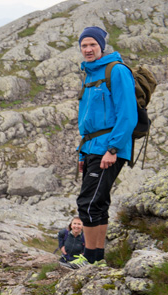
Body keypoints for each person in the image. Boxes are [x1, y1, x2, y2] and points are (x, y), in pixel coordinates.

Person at [69, 26, 137, 269]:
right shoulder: (90, 74)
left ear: (101, 46)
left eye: (92, 45)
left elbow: (128, 114)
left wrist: (113, 149)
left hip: (108, 148)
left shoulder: (116, 71)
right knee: (98, 203)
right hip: (92, 148)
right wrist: (82, 153)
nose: (88, 49)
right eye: (84, 45)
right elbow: (88, 121)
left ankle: (88, 258)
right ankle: (97, 258)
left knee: (86, 203)